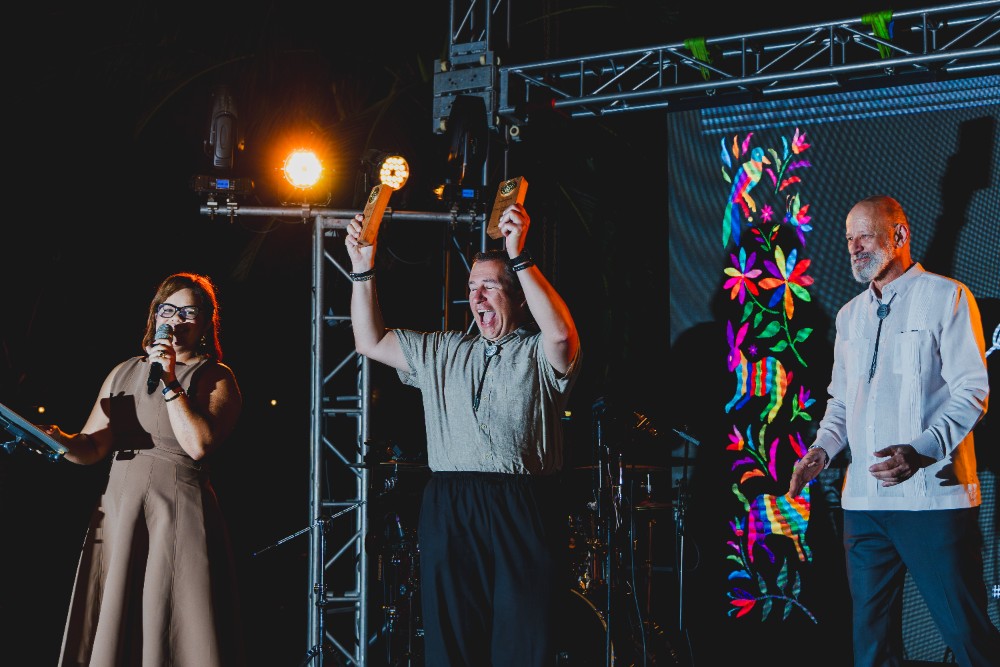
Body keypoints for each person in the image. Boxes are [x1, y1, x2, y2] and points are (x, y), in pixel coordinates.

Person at [345, 202, 582, 666]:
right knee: (451, 642)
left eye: (490, 286)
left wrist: (519, 255)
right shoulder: (443, 349)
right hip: (450, 501)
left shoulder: (537, 352)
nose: (478, 297)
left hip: (522, 502)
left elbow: (560, 334)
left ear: (518, 297)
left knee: (523, 640)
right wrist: (362, 268)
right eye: (472, 288)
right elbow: (369, 340)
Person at [787, 195, 999, 667]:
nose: (854, 247)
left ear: (899, 235)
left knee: (967, 635)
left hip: (933, 503)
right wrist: (821, 449)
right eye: (849, 239)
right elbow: (841, 402)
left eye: (864, 236)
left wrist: (920, 452)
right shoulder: (849, 315)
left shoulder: (948, 297)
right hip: (864, 506)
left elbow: (972, 392)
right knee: (871, 647)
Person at [43, 272, 246, 667]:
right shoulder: (123, 371)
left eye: (189, 312)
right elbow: (92, 446)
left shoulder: (216, 377)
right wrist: (58, 440)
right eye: (168, 310)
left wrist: (170, 381)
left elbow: (199, 444)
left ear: (205, 323)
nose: (176, 320)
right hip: (121, 512)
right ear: (155, 316)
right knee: (118, 624)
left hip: (174, 516)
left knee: (169, 625)